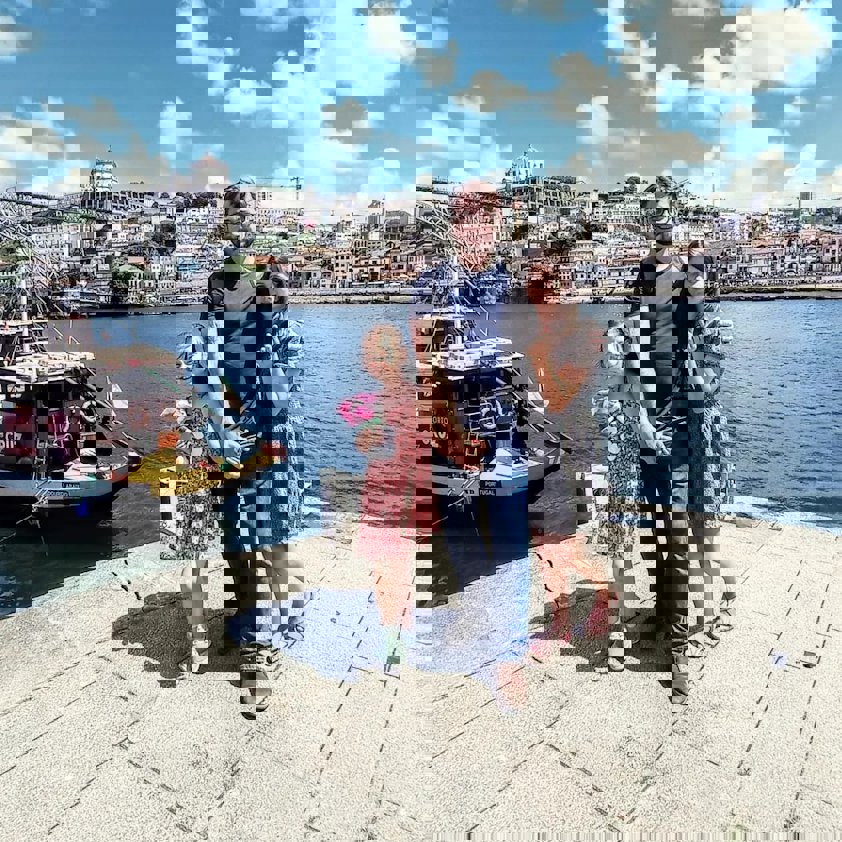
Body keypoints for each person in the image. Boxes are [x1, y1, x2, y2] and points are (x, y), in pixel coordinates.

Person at [593, 185, 734, 703]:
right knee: (654, 536)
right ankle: (659, 612)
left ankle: (676, 646)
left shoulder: (701, 330)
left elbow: (709, 385)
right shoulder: (626, 331)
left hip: (689, 448)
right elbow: (614, 387)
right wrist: (638, 421)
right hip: (643, 449)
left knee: (678, 538)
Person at [178, 182, 307, 716]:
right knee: (237, 540)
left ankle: (261, 643)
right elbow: (201, 372)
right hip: (230, 443)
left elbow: (284, 382)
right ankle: (245, 620)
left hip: (269, 444)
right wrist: (219, 431)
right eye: (230, 209)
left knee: (265, 541)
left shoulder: (275, 312)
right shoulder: (216, 308)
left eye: (243, 209)